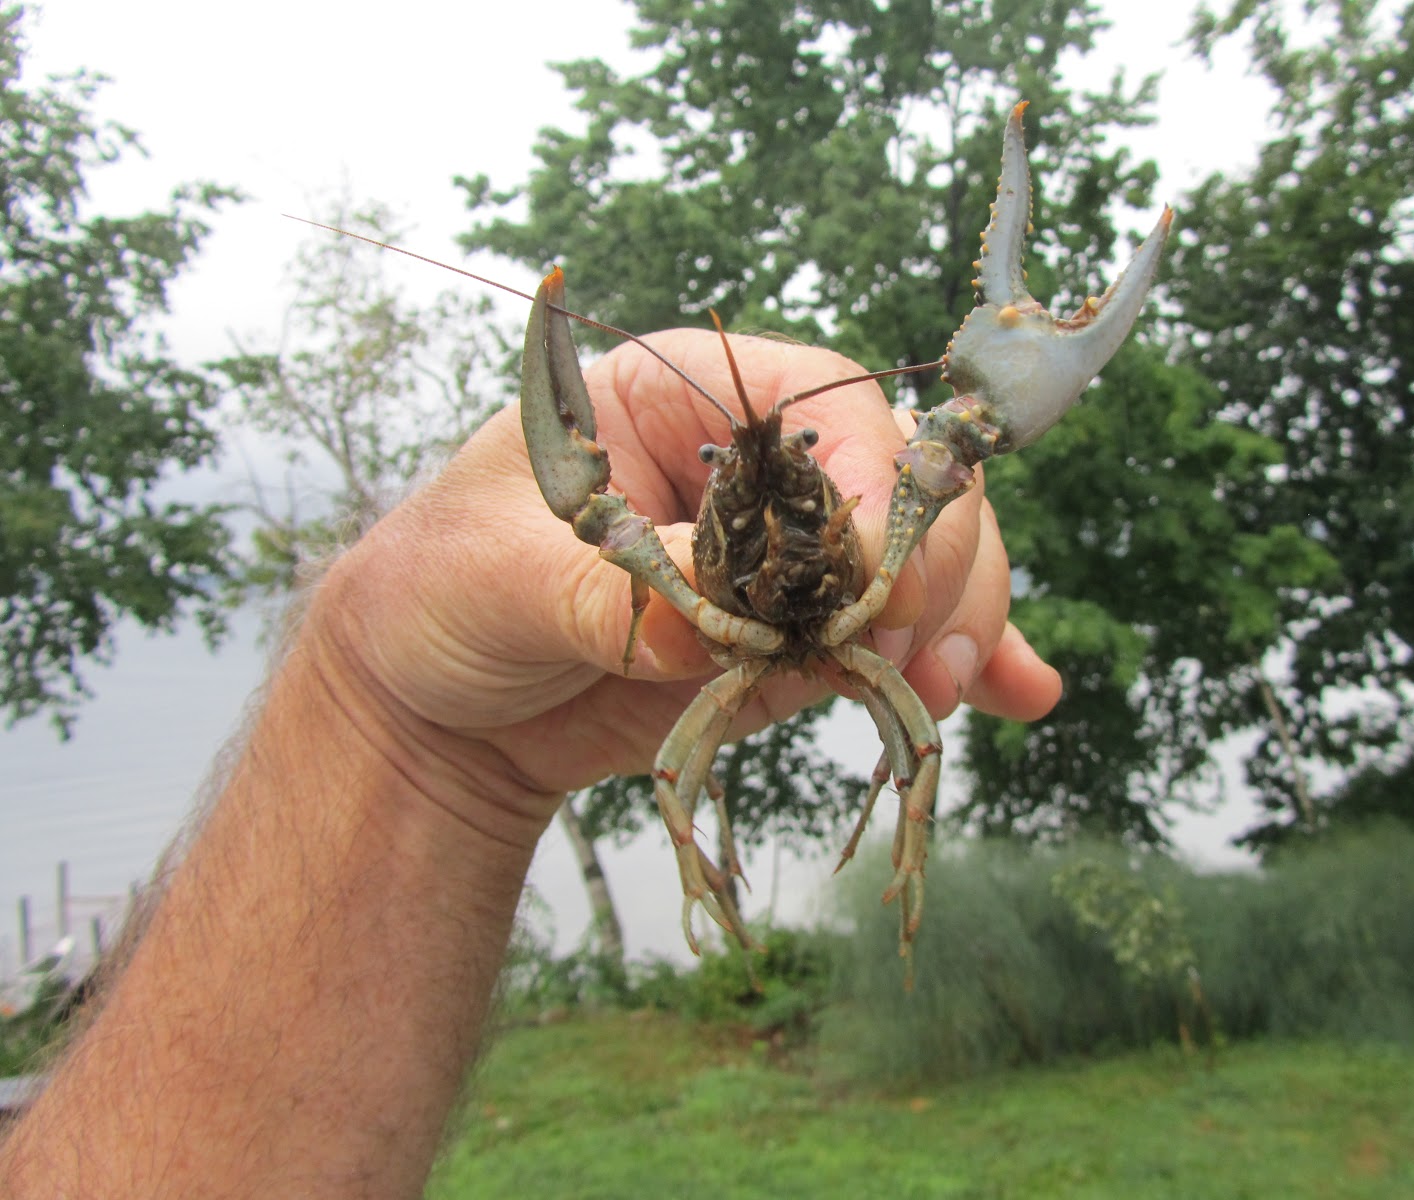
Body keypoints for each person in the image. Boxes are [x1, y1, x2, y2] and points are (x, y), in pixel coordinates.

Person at [0, 329, 1061, 1197]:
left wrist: (413, 738)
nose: (766, 491)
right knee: (692, 781)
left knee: (909, 740)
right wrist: (405, 718)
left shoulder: (853, 545)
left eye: (798, 459)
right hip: (733, 651)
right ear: (707, 497)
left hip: (812, 648)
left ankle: (896, 879)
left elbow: (940, 463)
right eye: (726, 477)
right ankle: (711, 908)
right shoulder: (679, 583)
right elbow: (617, 561)